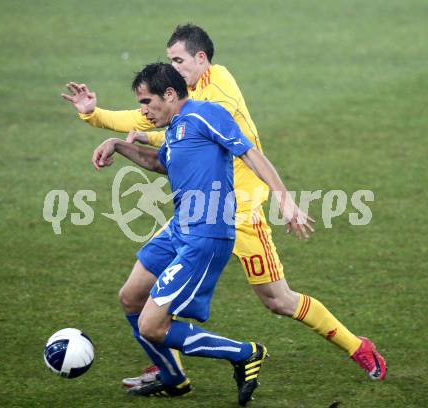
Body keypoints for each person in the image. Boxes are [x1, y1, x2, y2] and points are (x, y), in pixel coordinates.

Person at [62, 24, 386, 384]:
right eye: (170, 60)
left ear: (201, 58)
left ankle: (357, 346)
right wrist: (95, 115)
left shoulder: (217, 94)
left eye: (179, 60)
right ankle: (168, 367)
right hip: (195, 214)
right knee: (134, 294)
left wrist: (285, 200)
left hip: (240, 212)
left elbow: (191, 131)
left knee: (278, 300)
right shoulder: (187, 96)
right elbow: (158, 121)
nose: (174, 67)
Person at [90, 62, 313, 405]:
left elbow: (250, 154)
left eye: (147, 102)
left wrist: (285, 200)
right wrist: (118, 145)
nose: (143, 111)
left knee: (152, 325)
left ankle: (244, 353)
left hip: (207, 234)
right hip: (180, 228)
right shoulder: (176, 127)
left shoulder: (206, 114)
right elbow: (160, 164)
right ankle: (174, 379)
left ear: (169, 94)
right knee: (130, 297)